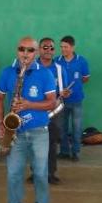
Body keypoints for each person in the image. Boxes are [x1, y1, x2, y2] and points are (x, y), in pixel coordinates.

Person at [0, 36, 57, 203]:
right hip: (15, 132)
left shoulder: (45, 74)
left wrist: (29, 104)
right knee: (14, 172)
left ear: (36, 53)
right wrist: (0, 122)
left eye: (30, 50)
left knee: (40, 172)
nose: (25, 53)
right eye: (22, 49)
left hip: (39, 131)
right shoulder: (7, 72)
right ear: (17, 51)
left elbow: (51, 102)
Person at [28, 37, 70, 185]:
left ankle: (51, 173)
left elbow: (62, 91)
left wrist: (64, 93)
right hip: (35, 110)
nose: (48, 50)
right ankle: (35, 172)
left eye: (51, 48)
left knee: (52, 142)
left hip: (54, 111)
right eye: (45, 47)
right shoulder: (31, 66)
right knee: (34, 142)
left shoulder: (59, 69)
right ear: (39, 49)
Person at [56, 35, 89, 162]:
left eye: (66, 47)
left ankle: (75, 152)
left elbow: (86, 78)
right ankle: (64, 151)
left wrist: (74, 88)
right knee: (62, 127)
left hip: (77, 100)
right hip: (61, 101)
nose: (63, 49)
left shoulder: (82, 61)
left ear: (72, 47)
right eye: (61, 47)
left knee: (77, 127)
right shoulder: (57, 61)